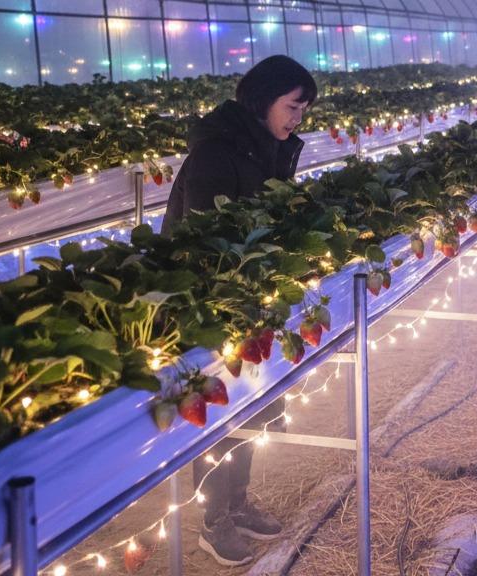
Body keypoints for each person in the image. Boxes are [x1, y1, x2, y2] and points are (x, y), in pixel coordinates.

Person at [162, 55, 317, 566]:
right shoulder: (217, 153)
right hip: (210, 300)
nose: (298, 118)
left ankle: (237, 500)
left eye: (303, 110)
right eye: (293, 106)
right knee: (218, 406)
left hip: (251, 294)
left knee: (253, 398)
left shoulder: (267, 147)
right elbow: (205, 240)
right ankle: (213, 520)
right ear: (263, 100)